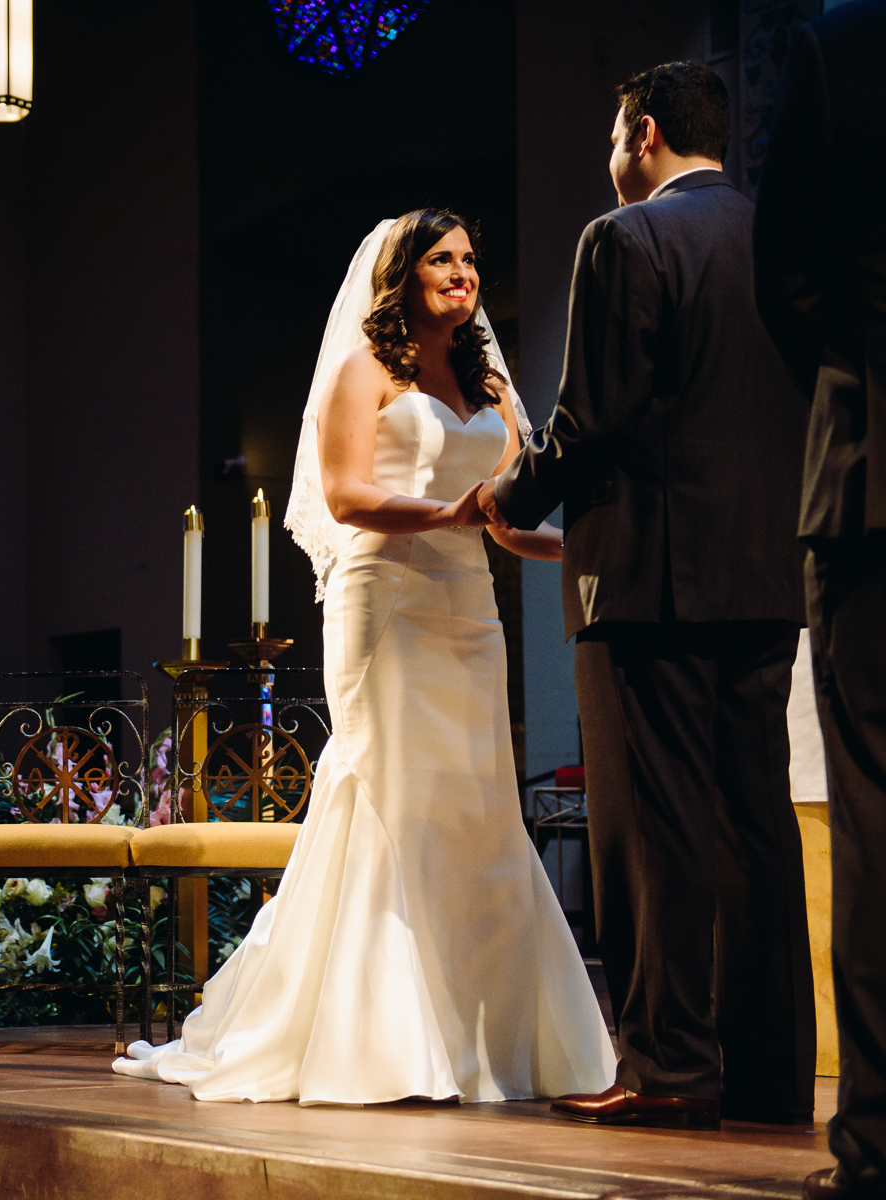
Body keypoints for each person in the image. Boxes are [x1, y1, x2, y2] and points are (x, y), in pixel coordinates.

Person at [113, 210, 616, 1104]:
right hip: (384, 598)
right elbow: (345, 494)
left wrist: (587, 551)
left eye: (468, 259)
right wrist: (444, 515)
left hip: (469, 606)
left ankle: (487, 1038)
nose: (461, 273)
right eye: (440, 258)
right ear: (403, 272)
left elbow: (512, 517)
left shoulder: (490, 385)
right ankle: (382, 1036)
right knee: (391, 796)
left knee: (475, 805)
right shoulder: (364, 367)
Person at [479, 60, 814, 1130]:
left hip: (650, 581)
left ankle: (671, 1068)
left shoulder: (623, 239)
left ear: (647, 133)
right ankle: (768, 1073)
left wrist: (510, 492)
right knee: (756, 824)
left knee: (654, 830)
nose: (611, 155)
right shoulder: (782, 235)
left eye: (616, 135)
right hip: (768, 573)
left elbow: (594, 419)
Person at [752, 2, 886, 1193]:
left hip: (874, 488)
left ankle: (883, 1144)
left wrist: (856, 395)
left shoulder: (841, 46)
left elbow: (788, 275)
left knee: (877, 826)